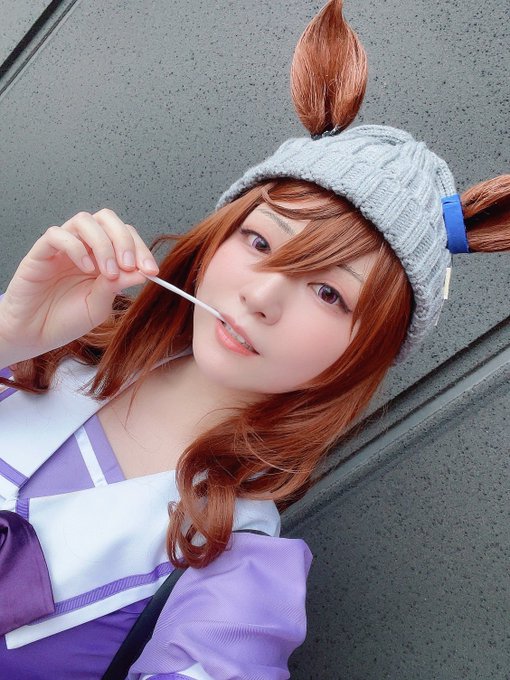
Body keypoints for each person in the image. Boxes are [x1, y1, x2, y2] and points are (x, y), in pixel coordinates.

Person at [0, 1, 508, 678]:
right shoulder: (41, 357)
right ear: (217, 237)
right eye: (261, 241)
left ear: (364, 354)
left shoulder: (235, 568)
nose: (263, 296)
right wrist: (9, 333)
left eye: (329, 293)